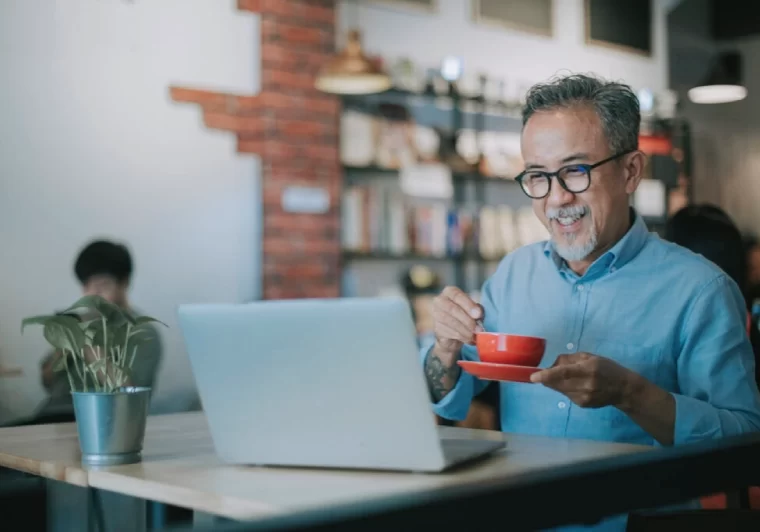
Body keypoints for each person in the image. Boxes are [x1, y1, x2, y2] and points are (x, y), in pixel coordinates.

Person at [421, 73, 760, 531]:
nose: (557, 199)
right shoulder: (513, 274)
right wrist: (443, 349)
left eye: (576, 171)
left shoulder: (701, 289)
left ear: (631, 171)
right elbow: (452, 399)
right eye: (538, 176)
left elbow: (746, 445)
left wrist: (632, 394)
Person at [35, 240, 163, 422]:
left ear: (124, 283)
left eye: (102, 286)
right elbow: (47, 382)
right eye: (87, 286)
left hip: (105, 421)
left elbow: (130, 395)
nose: (92, 294)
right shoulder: (81, 321)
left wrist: (88, 345)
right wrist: (63, 348)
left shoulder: (143, 333)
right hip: (53, 417)